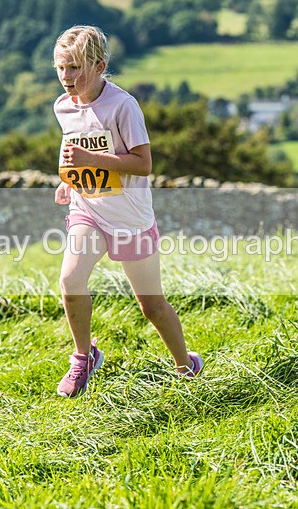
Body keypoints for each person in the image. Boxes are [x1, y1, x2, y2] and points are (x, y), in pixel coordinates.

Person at [52, 25, 203, 398]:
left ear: (99, 66)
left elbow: (142, 163)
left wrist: (90, 160)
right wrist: (68, 179)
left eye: (75, 68)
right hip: (88, 209)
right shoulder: (62, 107)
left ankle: (186, 365)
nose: (66, 77)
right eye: (60, 67)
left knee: (151, 306)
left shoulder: (123, 106)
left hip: (130, 218)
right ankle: (83, 357)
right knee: (70, 281)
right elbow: (73, 149)